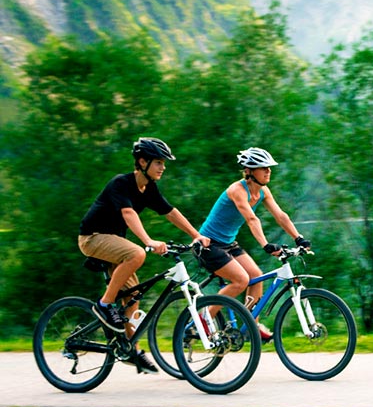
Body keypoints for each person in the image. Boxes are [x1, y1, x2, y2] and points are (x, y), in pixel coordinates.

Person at [78, 137, 211, 373]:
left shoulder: (149, 188)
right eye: (159, 162)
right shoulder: (121, 183)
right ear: (142, 162)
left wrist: (196, 235)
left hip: (114, 244)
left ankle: (131, 350)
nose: (163, 167)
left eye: (163, 163)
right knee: (137, 254)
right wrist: (148, 241)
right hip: (93, 238)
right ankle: (104, 304)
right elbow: (128, 213)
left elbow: (170, 212)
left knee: (133, 295)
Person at [195, 147, 309, 340]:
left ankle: (250, 323)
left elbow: (281, 216)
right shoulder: (237, 190)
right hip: (208, 245)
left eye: (269, 168)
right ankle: (204, 319)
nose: (268, 171)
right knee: (241, 280)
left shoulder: (262, 191)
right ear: (249, 171)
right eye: (263, 168)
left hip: (228, 243)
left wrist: (298, 238)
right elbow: (251, 219)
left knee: (256, 276)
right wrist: (265, 245)